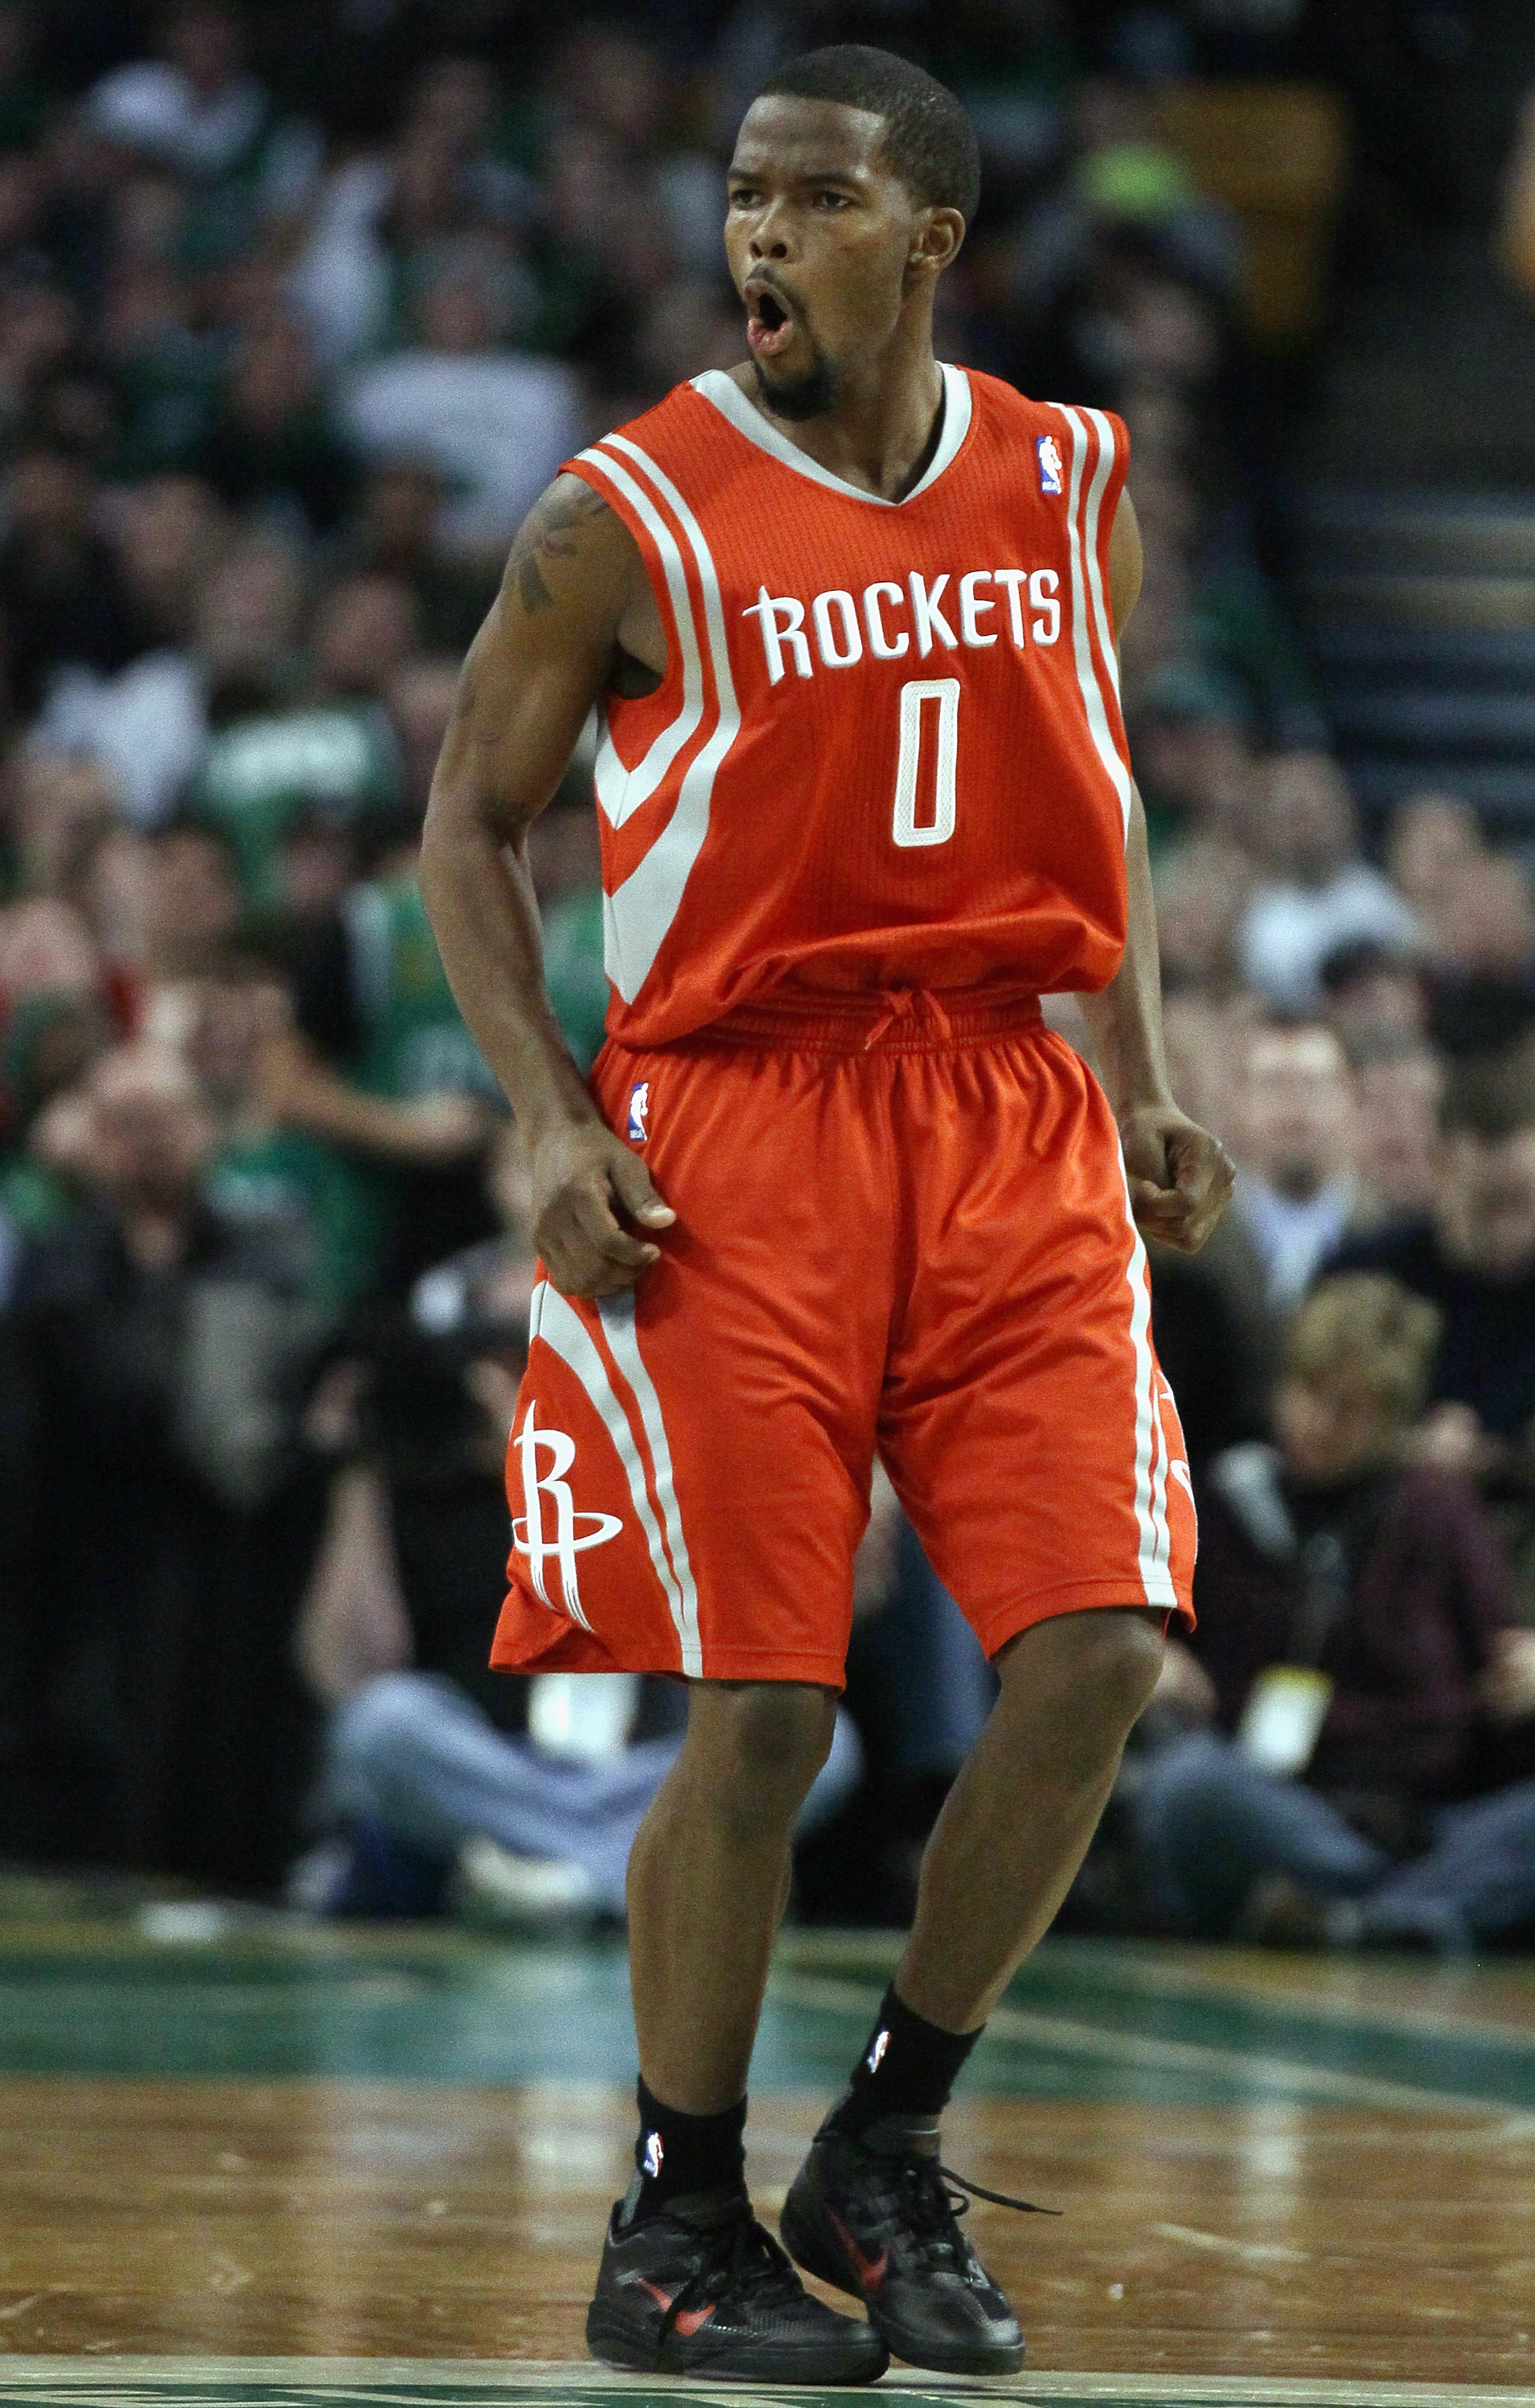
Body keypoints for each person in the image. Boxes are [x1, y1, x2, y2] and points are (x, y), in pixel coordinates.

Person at [420, 44, 1231, 2387]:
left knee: (1101, 1643)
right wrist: (551, 1120)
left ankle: (881, 2142)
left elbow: (1104, 796)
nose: (758, 235)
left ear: (932, 234)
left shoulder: (1069, 477)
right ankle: (673, 2219)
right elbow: (468, 818)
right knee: (761, 1709)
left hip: (1004, 1115)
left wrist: (1144, 1075)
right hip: (734, 1127)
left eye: (811, 197)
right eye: (741, 196)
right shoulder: (624, 510)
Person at [1138, 1274, 1535, 1950]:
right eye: (1308, 1394)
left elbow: (1504, 1658)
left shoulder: (1436, 1512)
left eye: (1350, 1410)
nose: (1318, 1424)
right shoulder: (1228, 1501)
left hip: (1420, 1815)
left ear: (1392, 1421)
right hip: (1277, 1802)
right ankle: (1415, 1915)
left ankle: (1362, 1919)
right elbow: (1144, 1629)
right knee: (1184, 1787)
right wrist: (1156, 1656)